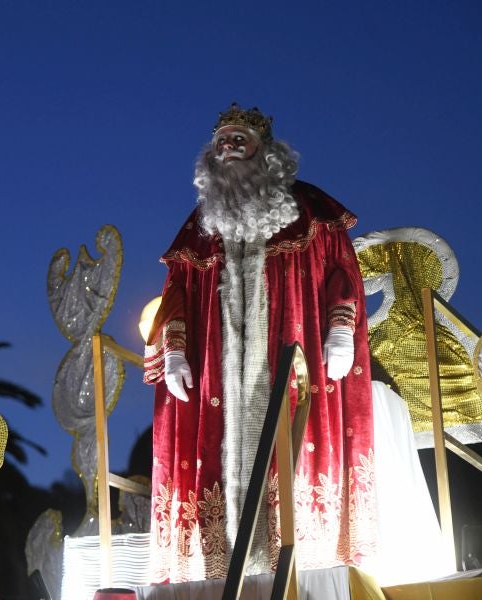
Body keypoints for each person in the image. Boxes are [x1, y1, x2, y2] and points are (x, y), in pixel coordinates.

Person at [143, 104, 375, 583]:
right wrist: (174, 350)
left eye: (239, 138)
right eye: (221, 140)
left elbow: (341, 271)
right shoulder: (198, 227)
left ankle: (302, 554)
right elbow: (176, 295)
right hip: (217, 378)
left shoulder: (311, 209)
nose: (228, 147)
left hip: (294, 359)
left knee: (291, 446)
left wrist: (339, 329)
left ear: (265, 151)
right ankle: (220, 562)